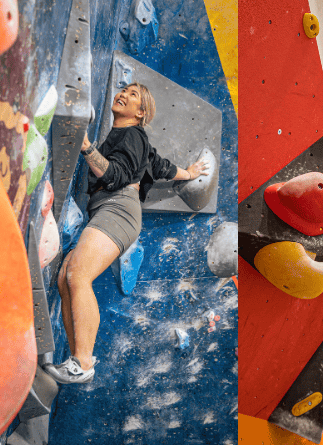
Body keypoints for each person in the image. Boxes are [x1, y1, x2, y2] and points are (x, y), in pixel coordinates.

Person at [45, 82, 210, 384]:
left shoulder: (133, 135)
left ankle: (83, 363)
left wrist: (86, 147)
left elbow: (115, 175)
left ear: (141, 112)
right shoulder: (134, 140)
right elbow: (161, 167)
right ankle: (75, 359)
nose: (123, 94)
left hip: (118, 208)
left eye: (133, 95)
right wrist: (189, 173)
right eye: (124, 89)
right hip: (113, 210)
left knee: (78, 276)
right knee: (65, 276)